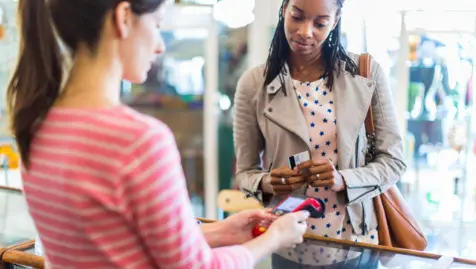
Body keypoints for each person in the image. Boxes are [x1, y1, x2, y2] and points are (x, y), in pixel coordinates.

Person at [7, 0, 310, 268]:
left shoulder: (36, 128)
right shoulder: (139, 142)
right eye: (157, 24)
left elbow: (112, 242)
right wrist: (272, 240)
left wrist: (221, 231)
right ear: (124, 17)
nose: (160, 45)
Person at [234, 0, 407, 267]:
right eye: (297, 16)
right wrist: (268, 182)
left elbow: (394, 162)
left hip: (355, 246)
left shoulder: (365, 74)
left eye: (320, 23)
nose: (305, 32)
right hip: (287, 246)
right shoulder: (254, 84)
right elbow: (245, 172)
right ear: (284, 10)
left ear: (335, 21)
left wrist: (344, 179)